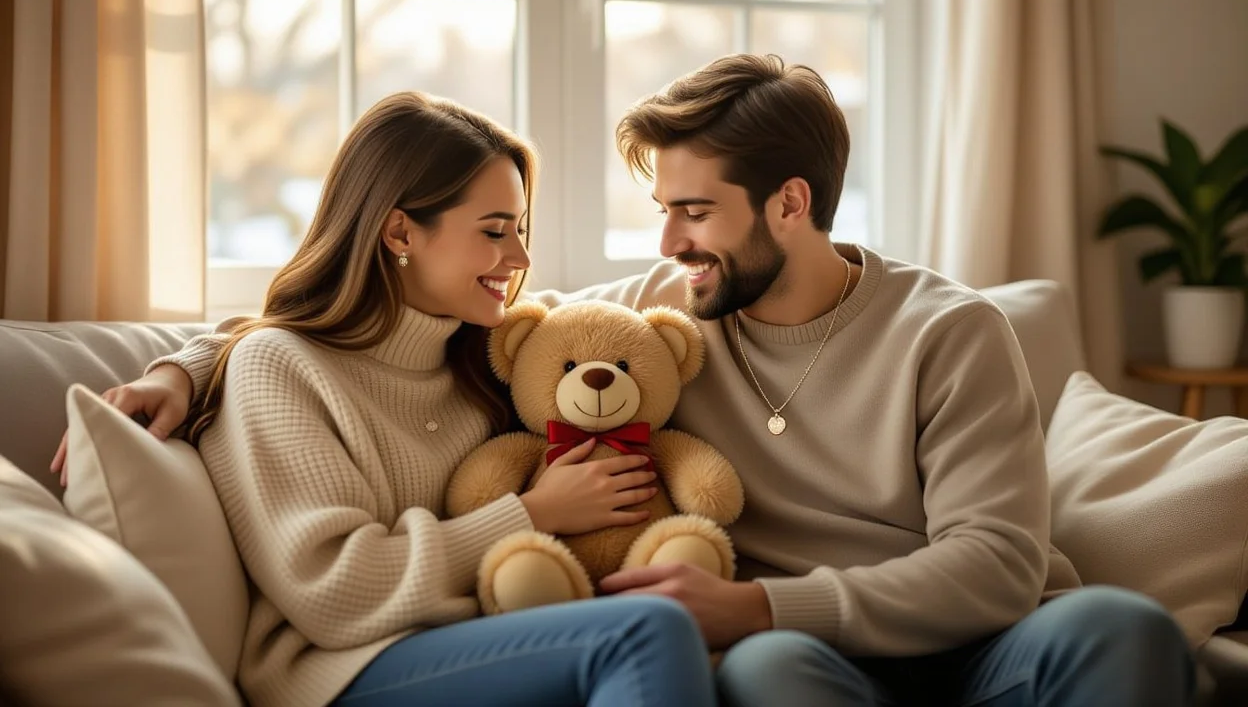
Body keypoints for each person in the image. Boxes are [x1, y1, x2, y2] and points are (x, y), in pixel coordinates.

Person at [58, 58, 1195, 707]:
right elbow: (315, 328)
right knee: (769, 671)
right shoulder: (662, 299)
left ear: (788, 205)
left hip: (953, 637)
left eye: (693, 211)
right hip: (794, 655)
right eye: (664, 211)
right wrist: (183, 362)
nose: (669, 237)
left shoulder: (953, 334)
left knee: (1122, 627)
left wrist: (756, 597)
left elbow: (995, 564)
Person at [53, 92, 718, 707]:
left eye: (520, 229)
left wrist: (183, 366)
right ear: (400, 233)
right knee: (646, 631)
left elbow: (618, 315)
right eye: (493, 231)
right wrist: (534, 513)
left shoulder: (482, 351)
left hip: (481, 640)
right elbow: (333, 592)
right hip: (341, 669)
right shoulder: (279, 369)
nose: (518, 257)